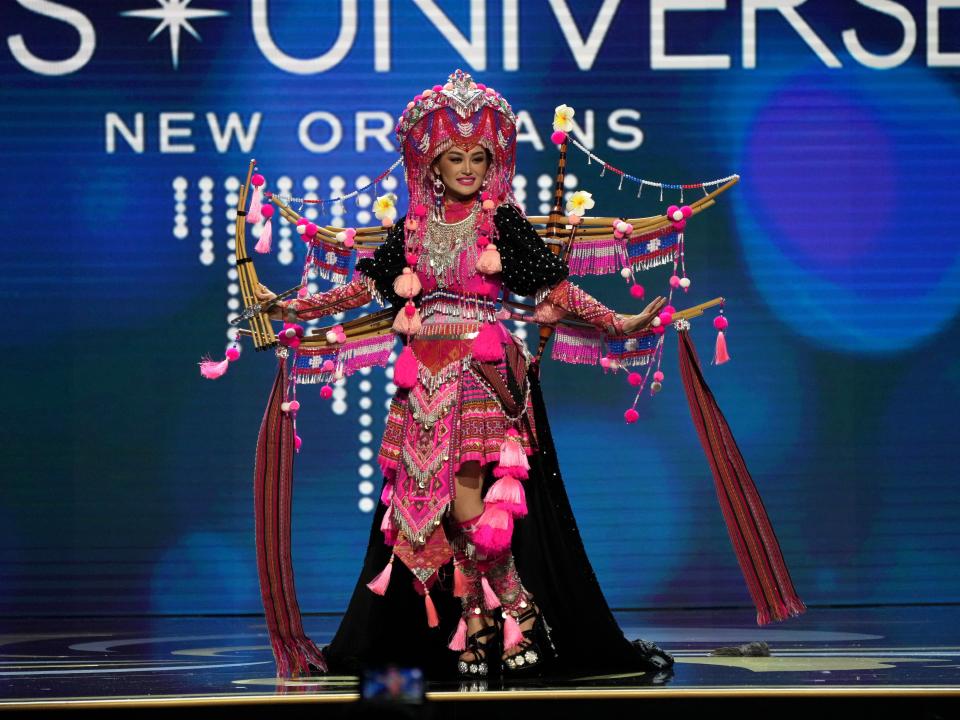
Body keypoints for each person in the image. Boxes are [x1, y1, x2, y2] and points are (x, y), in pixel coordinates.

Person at [254, 70, 671, 680]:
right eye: (456, 156)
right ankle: (477, 624)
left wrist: (620, 322)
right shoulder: (415, 229)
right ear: (433, 163)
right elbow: (363, 287)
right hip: (423, 380)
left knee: (467, 500)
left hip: (479, 371)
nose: (469, 167)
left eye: (480, 157)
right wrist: (297, 306)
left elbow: (556, 289)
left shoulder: (501, 224)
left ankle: (521, 610)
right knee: (437, 512)